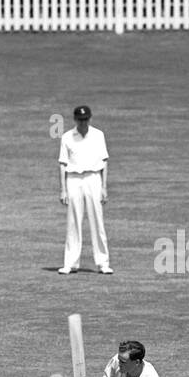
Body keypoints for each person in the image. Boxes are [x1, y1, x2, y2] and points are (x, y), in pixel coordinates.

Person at [57, 104, 112, 275]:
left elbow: (104, 161)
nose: (83, 123)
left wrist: (103, 186)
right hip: (73, 178)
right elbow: (62, 164)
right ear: (75, 120)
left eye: (85, 119)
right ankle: (71, 263)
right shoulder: (67, 137)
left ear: (90, 118)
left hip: (93, 178)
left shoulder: (98, 135)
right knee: (73, 221)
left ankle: (103, 262)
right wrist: (63, 189)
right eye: (80, 120)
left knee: (97, 220)